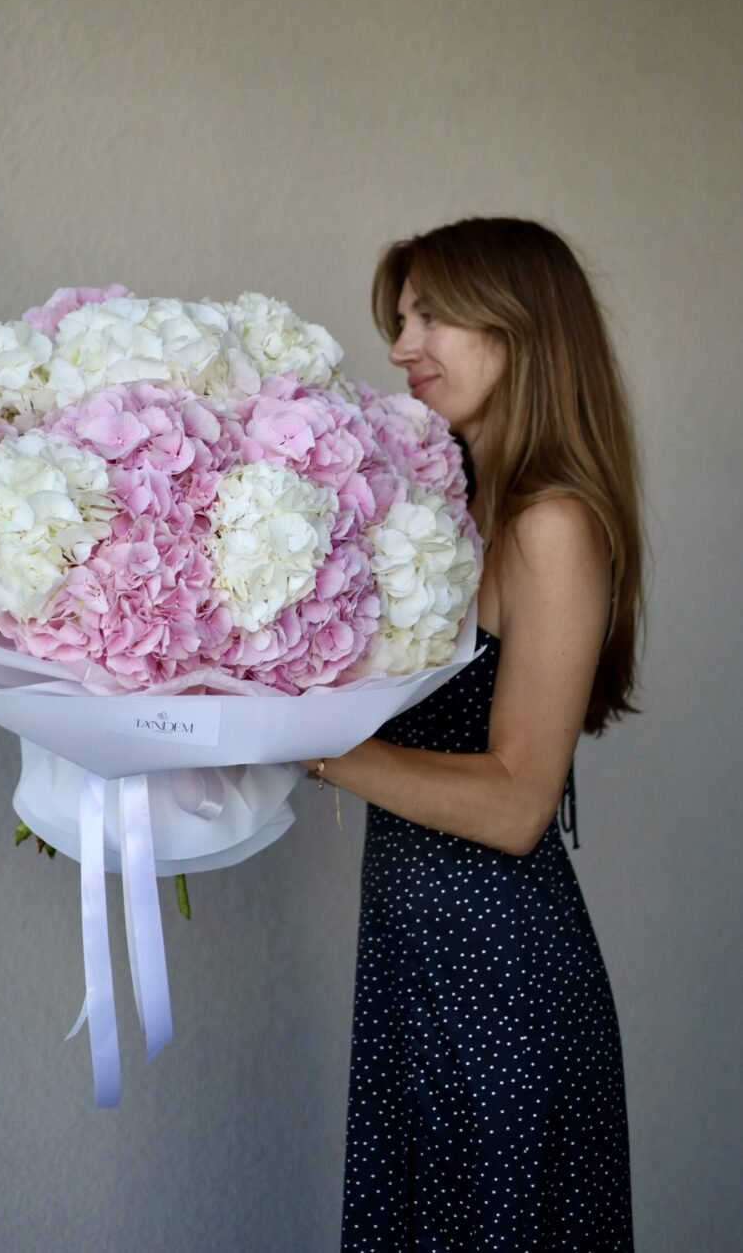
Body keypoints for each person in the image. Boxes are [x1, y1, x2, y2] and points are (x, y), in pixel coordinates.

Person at [301, 217, 645, 1251]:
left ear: (519, 326)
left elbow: (515, 804)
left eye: (431, 316)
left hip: (500, 976)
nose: (402, 345)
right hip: (418, 959)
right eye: (401, 319)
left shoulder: (551, 522)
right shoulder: (453, 514)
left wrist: (308, 744)